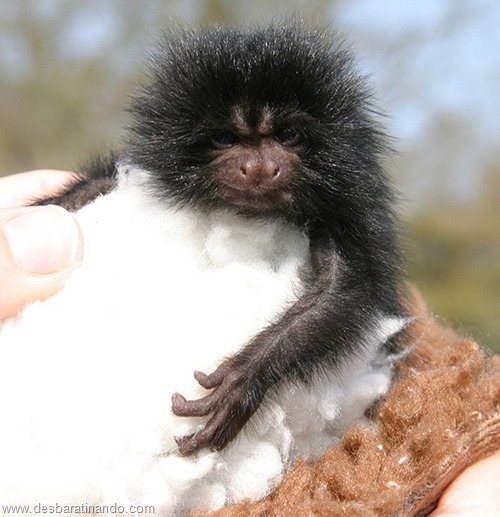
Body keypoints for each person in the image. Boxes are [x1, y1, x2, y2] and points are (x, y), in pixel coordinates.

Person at [1, 170, 499, 514]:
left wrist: (251, 375)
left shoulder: (342, 225)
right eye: (227, 140)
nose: (259, 167)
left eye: (285, 139)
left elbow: (347, 294)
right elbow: (118, 171)